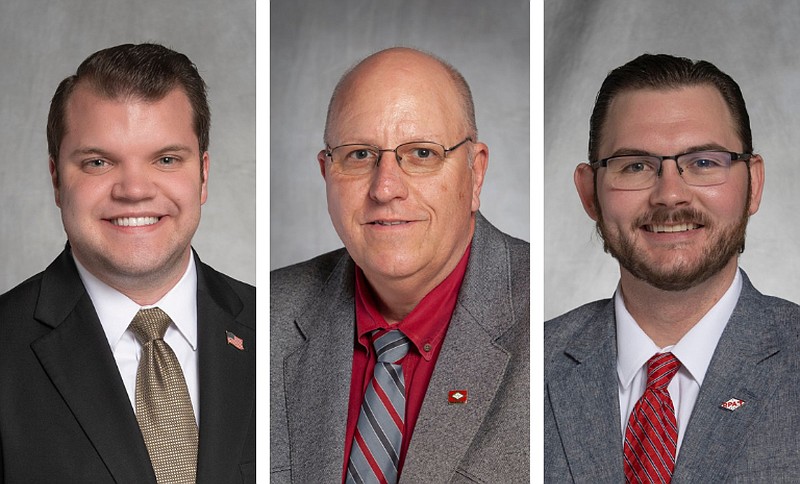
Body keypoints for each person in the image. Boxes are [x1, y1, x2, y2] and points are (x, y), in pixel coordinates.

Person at [270, 47, 529, 483]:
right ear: (325, 173)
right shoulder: (265, 318)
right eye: (358, 155)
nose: (385, 187)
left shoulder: (546, 322)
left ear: (475, 172)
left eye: (422, 154)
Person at [0, 43, 255, 483]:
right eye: (98, 162)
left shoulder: (272, 325)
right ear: (57, 179)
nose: (134, 190)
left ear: (203, 175)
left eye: (166, 159)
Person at [545, 53, 800, 482]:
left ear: (753, 184)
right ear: (590, 193)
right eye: (636, 166)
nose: (670, 196)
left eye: (703, 162)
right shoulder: (530, 367)